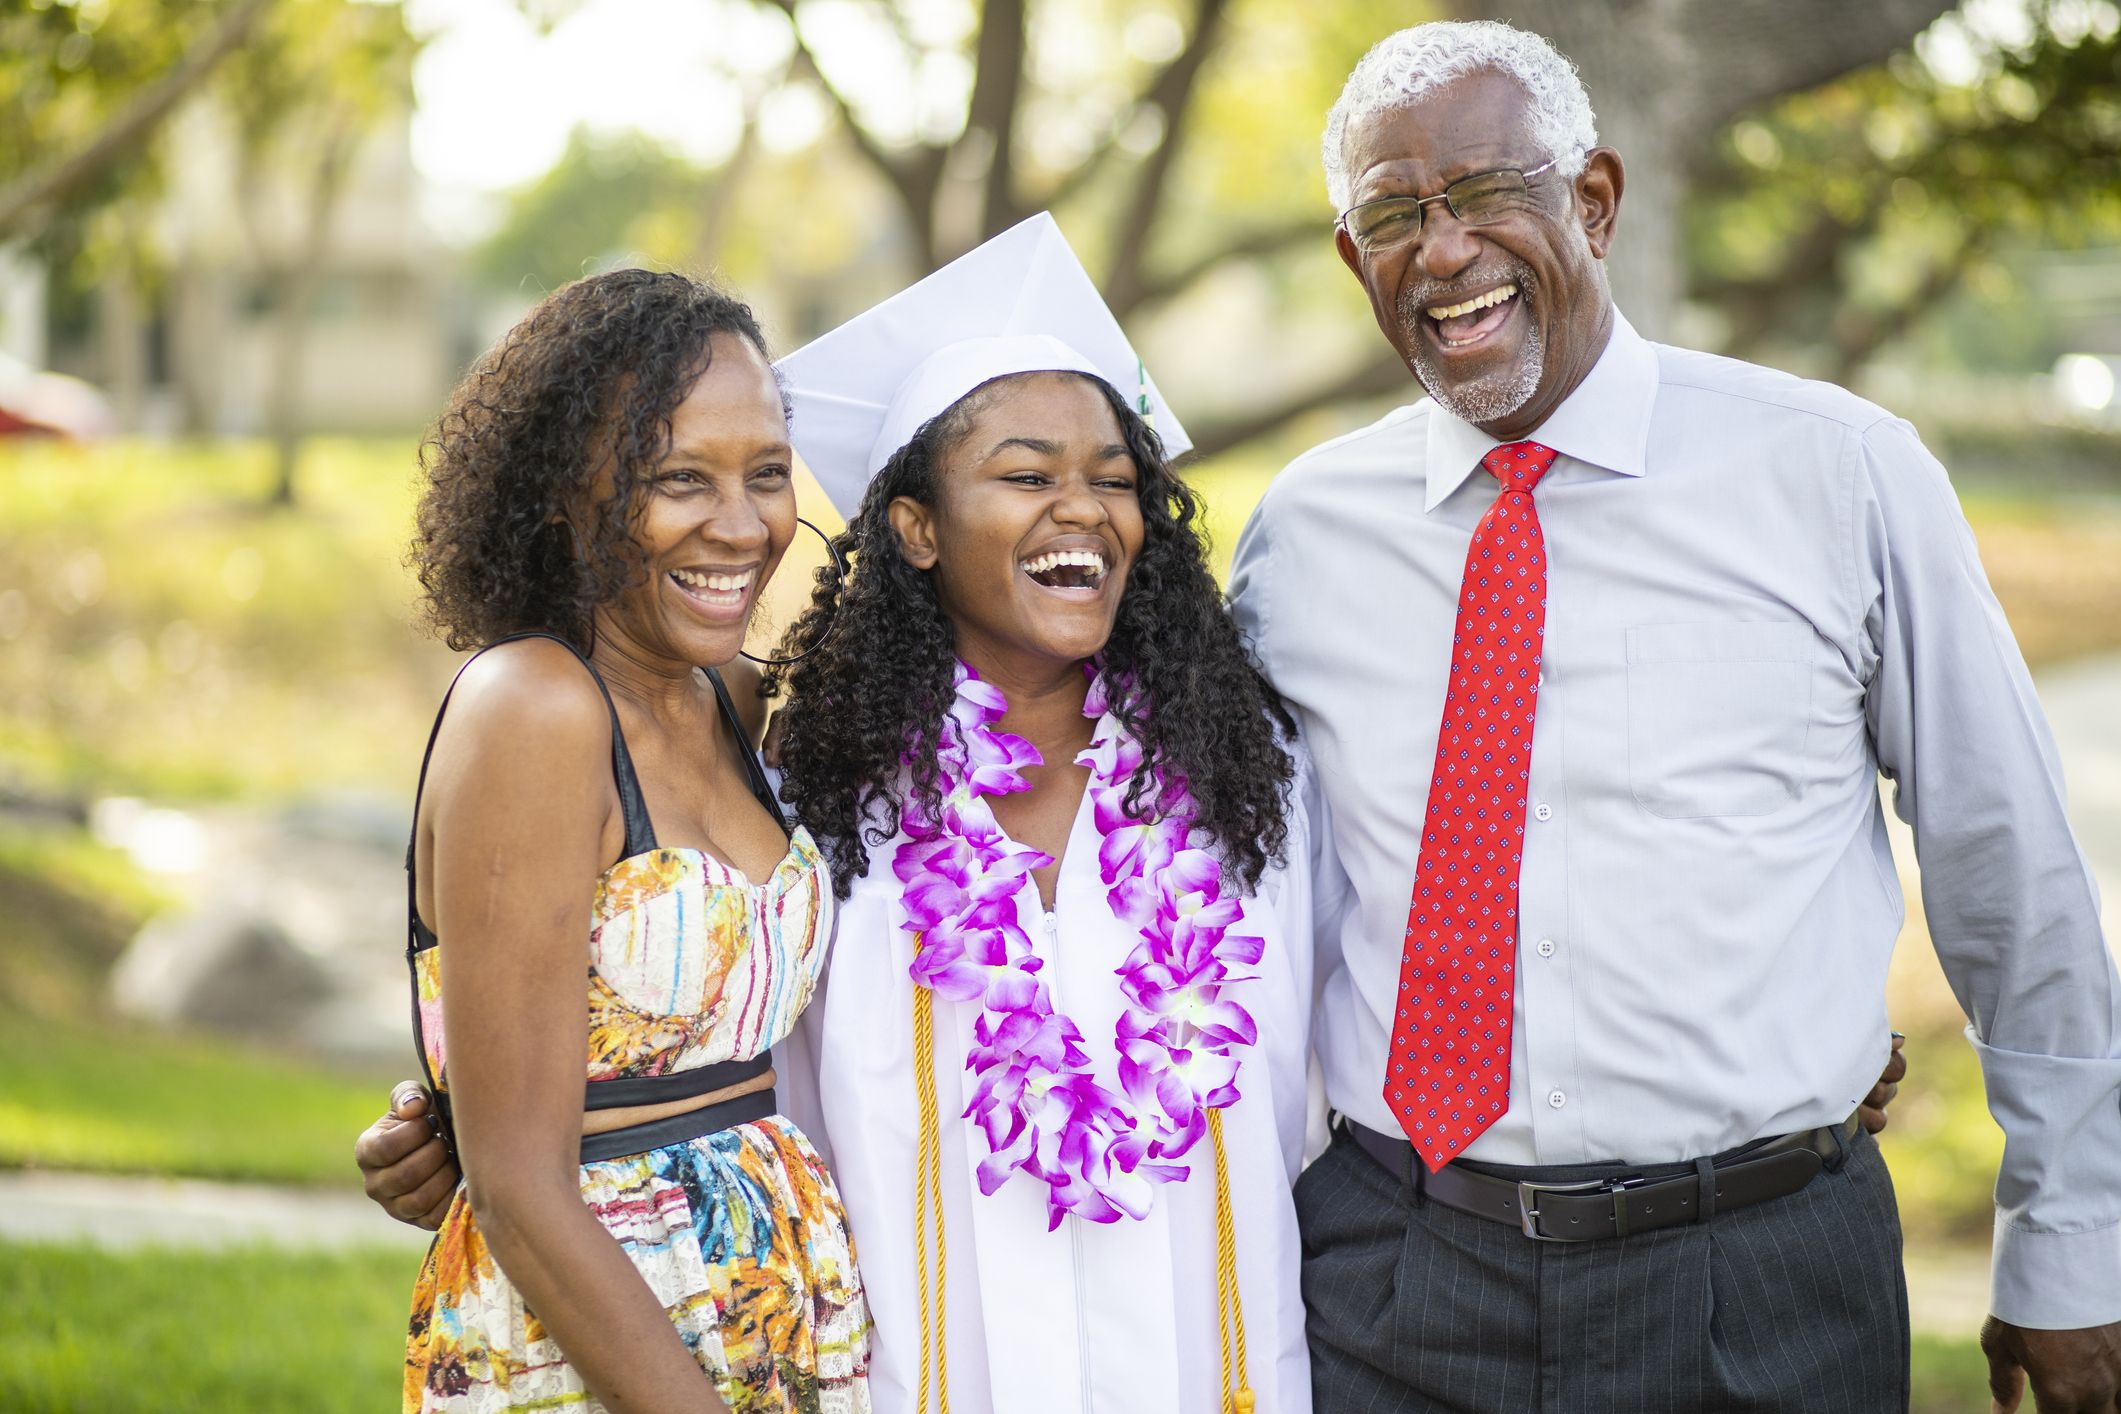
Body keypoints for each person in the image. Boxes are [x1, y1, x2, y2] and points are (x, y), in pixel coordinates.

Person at [1227, 19, 2121, 1413]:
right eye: (1395, 215)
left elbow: (2007, 868)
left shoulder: (1838, 473)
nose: (1443, 249)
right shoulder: (1300, 536)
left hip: (1759, 1278)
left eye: (1485, 194)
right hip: (1397, 1273)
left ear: (1592, 200)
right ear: (1356, 261)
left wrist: (2071, 1239)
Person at [765, 214, 1315, 1413]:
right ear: (914, 527)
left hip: (1214, 1365)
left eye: (1114, 481)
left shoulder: (1245, 780)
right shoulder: (826, 805)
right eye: (1026, 476)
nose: (1085, 510)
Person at [392, 269, 870, 1413]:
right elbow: (518, 1186)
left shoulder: (732, 699)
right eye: (677, 481)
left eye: (766, 475)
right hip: (601, 1337)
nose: (743, 525)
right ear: (568, 493)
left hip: (776, 1304)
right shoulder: (537, 708)